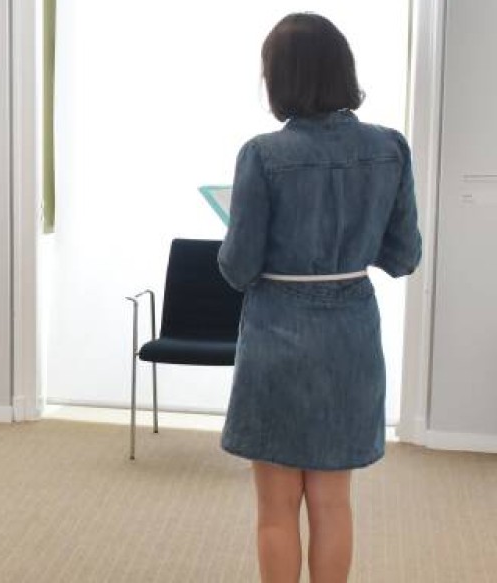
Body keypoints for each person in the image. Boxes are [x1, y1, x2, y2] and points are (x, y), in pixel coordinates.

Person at [218, 13, 422, 583]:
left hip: (278, 338)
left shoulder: (262, 156)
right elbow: (404, 256)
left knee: (276, 510)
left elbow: (238, 268)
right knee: (334, 504)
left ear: (281, 78)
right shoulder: (391, 149)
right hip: (350, 338)